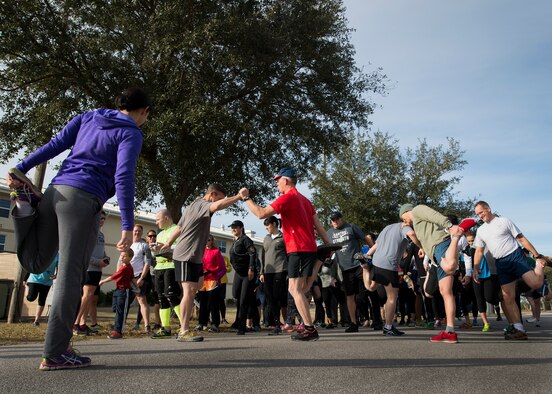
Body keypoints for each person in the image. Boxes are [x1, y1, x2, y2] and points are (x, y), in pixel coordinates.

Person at [6, 87, 150, 370]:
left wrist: (20, 168)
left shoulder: (88, 117)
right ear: (143, 112)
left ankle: (24, 209)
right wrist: (127, 224)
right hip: (83, 201)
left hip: (54, 193)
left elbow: (55, 145)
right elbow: (123, 176)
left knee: (37, 261)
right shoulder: (131, 132)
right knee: (71, 277)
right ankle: (56, 353)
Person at [239, 167, 330, 341]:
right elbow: (318, 226)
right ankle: (320, 259)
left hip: (298, 248)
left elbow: (260, 213)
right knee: (301, 289)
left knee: (294, 289)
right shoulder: (305, 200)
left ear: (286, 180)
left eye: (277, 181)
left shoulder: (288, 198)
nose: (276, 185)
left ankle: (310, 329)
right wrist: (328, 245)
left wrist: (246, 197)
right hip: (308, 249)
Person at [160, 184, 243, 342]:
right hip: (187, 254)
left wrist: (169, 243)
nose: (219, 202)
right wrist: (239, 196)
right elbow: (217, 206)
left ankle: (184, 326)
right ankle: (183, 330)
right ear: (212, 194)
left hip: (195, 256)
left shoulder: (193, 204)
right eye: (219, 197)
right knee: (189, 291)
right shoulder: (203, 205)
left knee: (196, 287)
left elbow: (180, 226)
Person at [399, 204, 475, 344]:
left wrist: (449, 226)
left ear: (406, 212)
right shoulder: (417, 224)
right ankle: (450, 332)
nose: (404, 221)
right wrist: (424, 249)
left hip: (441, 244)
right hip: (434, 253)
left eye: (402, 218)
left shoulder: (417, 210)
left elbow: (434, 215)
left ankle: (456, 236)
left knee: (449, 267)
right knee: (442, 291)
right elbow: (422, 239)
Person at [473, 200, 546, 340]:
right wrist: (476, 268)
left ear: (488, 209)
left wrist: (536, 255)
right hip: (501, 263)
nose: (480, 216)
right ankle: (518, 328)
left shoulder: (504, 221)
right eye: (477, 214)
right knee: (507, 297)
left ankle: (539, 265)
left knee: (535, 284)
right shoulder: (481, 231)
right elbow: (479, 251)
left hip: (515, 256)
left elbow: (521, 239)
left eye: (481, 212)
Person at [359, 221, 421, 336]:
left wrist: (367, 255)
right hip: (389, 264)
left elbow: (376, 245)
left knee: (371, 287)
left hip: (377, 261)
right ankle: (388, 327)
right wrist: (422, 247)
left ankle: (365, 268)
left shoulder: (387, 227)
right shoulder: (405, 226)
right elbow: (411, 234)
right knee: (392, 297)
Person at [327, 211, 373, 333]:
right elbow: (330, 250)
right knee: (350, 296)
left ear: (341, 219)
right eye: (332, 220)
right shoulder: (329, 233)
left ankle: (377, 320)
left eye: (336, 219)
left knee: (366, 293)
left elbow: (365, 238)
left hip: (359, 265)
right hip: (345, 269)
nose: (335, 222)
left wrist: (373, 252)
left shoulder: (351, 227)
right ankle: (353, 323)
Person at [73, 211, 109, 336]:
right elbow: (84, 253)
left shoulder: (101, 234)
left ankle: (82, 324)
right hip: (89, 268)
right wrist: (97, 261)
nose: (102, 220)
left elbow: (101, 251)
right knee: (87, 295)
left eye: (104, 218)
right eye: (100, 217)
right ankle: (75, 324)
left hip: (97, 270)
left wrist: (105, 259)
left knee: (90, 297)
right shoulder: (88, 232)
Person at [150, 209, 182, 338]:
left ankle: (183, 326)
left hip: (171, 266)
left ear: (166, 218)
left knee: (171, 296)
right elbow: (155, 254)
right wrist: (154, 250)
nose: (156, 222)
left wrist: (165, 247)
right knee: (161, 298)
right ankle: (166, 328)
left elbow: (180, 249)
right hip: (159, 267)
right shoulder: (160, 234)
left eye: (158, 219)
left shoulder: (177, 229)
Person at [228, 220, 260, 335]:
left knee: (243, 301)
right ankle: (248, 319)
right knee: (236, 294)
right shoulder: (235, 241)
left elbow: (252, 253)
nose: (233, 229)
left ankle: (242, 327)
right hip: (238, 273)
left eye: (235, 227)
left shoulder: (246, 239)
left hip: (247, 273)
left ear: (241, 228)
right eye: (232, 227)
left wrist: (251, 268)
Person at [99, 249, 138, 339]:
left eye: (124, 256)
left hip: (124, 291)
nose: (122, 258)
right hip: (118, 290)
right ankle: (117, 326)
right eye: (121, 256)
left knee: (121, 312)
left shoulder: (126, 268)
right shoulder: (124, 266)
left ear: (130, 257)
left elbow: (113, 277)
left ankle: (119, 331)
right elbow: (132, 278)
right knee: (115, 309)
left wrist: (103, 281)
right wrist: (137, 286)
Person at [466, 232, 500, 332]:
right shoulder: (467, 251)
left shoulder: (485, 248)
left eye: (472, 240)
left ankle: (497, 303)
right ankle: (485, 323)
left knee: (489, 297)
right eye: (469, 241)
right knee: (479, 299)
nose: (471, 243)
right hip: (476, 277)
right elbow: (467, 264)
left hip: (488, 275)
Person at [260, 216, 288, 334]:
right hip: (267, 272)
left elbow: (289, 255)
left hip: (280, 270)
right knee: (270, 298)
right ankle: (275, 323)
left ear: (275, 224)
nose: (266, 228)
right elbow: (263, 255)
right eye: (265, 226)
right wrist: (261, 272)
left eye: (268, 225)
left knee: (277, 297)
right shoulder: (266, 238)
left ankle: (283, 323)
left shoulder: (284, 237)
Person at [197, 235, 226, 332]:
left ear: (212, 241)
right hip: (202, 280)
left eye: (208, 240)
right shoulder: (200, 251)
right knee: (203, 304)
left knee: (213, 304)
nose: (206, 242)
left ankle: (215, 324)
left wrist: (216, 277)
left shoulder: (216, 252)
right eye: (205, 240)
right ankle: (202, 323)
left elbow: (223, 269)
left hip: (212, 280)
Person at [128, 224, 154, 332]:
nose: (137, 232)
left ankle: (147, 325)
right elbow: (122, 260)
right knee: (125, 301)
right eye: (135, 231)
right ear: (132, 232)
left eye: (139, 231)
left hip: (139, 275)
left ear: (142, 233)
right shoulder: (128, 244)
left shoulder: (144, 246)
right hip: (128, 276)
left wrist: (142, 277)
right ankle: (119, 325)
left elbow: (147, 263)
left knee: (142, 300)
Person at [24, 255, 58, 326]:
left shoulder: (57, 256)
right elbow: (31, 265)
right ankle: (27, 286)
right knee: (30, 298)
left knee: (42, 301)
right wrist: (25, 278)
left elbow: (59, 267)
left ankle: (36, 321)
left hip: (47, 281)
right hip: (34, 279)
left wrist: (56, 275)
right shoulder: (41, 253)